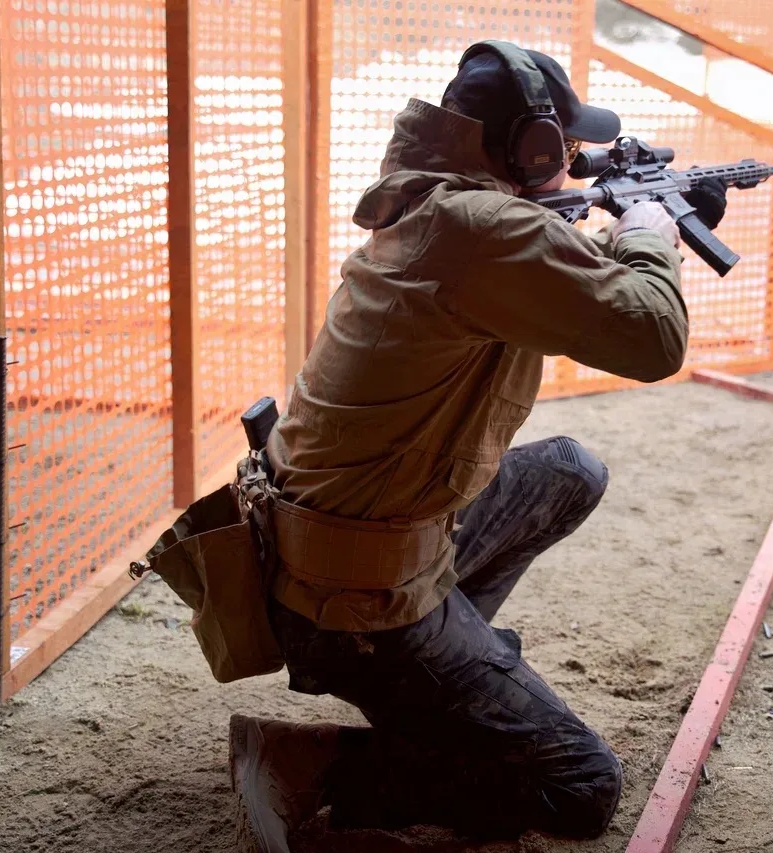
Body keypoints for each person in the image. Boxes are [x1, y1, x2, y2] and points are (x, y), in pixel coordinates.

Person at [227, 40, 728, 852]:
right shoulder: (482, 228)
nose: (569, 165)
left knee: (569, 471)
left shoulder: (443, 207)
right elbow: (652, 337)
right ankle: (314, 765)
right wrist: (646, 229)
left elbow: (559, 268)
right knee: (581, 786)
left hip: (336, 548)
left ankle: (442, 683)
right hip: (354, 600)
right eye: (560, 149)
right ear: (530, 149)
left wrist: (640, 232)